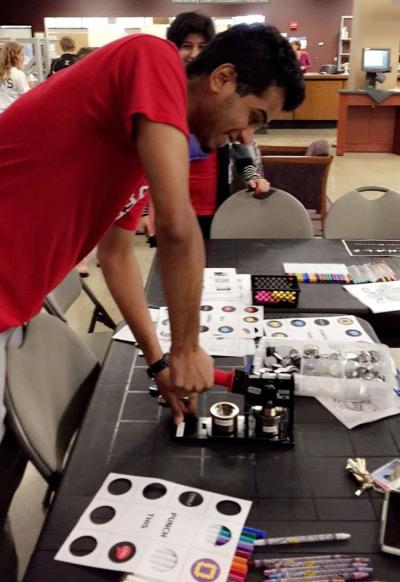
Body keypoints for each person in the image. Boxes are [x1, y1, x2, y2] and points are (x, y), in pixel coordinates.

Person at [0, 24, 304, 579]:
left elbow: (117, 258)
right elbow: (177, 228)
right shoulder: (150, 59)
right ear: (223, 78)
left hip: (11, 304)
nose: (245, 138)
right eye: (254, 117)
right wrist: (188, 347)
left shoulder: (136, 148)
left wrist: (160, 360)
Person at [167, 12, 270, 238]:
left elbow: (239, 137)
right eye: (186, 46)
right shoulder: (163, 87)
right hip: (171, 187)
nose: (194, 54)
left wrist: (252, 174)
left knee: (212, 251)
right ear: (174, 47)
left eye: (202, 46)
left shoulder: (221, 85)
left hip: (212, 187)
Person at [0, 41, 30, 113]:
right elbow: (27, 97)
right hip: (11, 113)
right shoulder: (18, 74)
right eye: (22, 55)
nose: (24, 58)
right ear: (15, 57)